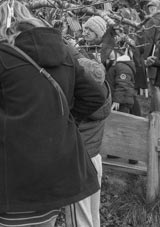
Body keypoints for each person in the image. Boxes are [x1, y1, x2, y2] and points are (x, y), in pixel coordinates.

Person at [0, 1, 107, 227]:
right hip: (52, 174)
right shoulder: (62, 50)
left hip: (12, 175)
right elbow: (94, 96)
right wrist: (60, 120)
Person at [67, 56, 112, 227]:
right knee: (92, 213)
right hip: (94, 158)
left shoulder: (81, 107)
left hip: (78, 161)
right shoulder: (104, 99)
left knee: (78, 216)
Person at [107, 48, 136, 114]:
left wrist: (117, 100)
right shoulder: (116, 65)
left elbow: (123, 84)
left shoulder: (122, 66)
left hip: (122, 101)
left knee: (122, 121)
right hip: (119, 98)